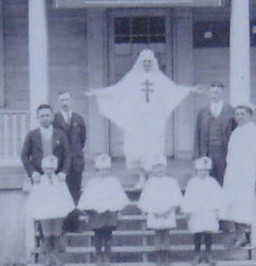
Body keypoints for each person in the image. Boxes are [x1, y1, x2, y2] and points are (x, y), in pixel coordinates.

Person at [86, 48, 200, 189]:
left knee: (153, 148)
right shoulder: (132, 78)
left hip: (153, 121)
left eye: (149, 61)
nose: (147, 64)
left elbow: (173, 90)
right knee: (136, 149)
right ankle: (141, 177)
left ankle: (153, 177)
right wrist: (98, 93)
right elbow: (116, 90)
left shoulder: (159, 79)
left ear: (153, 62)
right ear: (140, 62)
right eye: (144, 61)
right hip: (136, 121)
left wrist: (189, 90)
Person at [20, 104, 71, 264]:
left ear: (52, 116)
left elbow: (68, 155)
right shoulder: (32, 135)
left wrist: (63, 172)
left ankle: (57, 254)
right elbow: (24, 155)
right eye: (41, 116)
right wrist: (33, 173)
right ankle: (48, 255)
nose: (45, 118)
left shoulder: (60, 134)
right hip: (41, 181)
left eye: (47, 115)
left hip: (56, 181)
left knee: (57, 215)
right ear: (37, 118)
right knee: (44, 215)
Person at [222, 102, 256, 249]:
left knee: (242, 205)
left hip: (246, 173)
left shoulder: (254, 132)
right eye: (237, 114)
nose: (239, 117)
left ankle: (242, 237)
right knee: (232, 204)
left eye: (243, 114)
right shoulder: (236, 132)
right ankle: (237, 235)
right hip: (233, 173)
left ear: (250, 115)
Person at [76, 153, 130, 266]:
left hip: (109, 214)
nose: (103, 173)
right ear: (96, 170)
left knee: (108, 237)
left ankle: (107, 256)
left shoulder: (113, 182)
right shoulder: (92, 183)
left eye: (106, 170)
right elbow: (86, 199)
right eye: (100, 170)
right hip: (96, 214)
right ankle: (98, 256)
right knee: (98, 237)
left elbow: (119, 197)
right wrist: (87, 213)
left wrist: (118, 211)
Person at [26, 155, 75, 266]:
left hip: (58, 211)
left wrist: (66, 210)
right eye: (47, 168)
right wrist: (36, 210)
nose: (49, 171)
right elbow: (35, 197)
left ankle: (57, 256)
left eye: (51, 168)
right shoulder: (40, 181)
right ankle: (49, 257)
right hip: (45, 212)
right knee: (47, 234)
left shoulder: (59, 180)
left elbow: (65, 196)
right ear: (43, 168)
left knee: (57, 233)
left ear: (55, 168)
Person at [136, 154, 183, 266]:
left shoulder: (171, 182)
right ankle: (158, 256)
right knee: (157, 235)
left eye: (161, 167)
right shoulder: (150, 183)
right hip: (154, 213)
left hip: (168, 213)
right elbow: (145, 200)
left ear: (165, 168)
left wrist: (169, 210)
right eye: (157, 167)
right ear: (153, 169)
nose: (159, 170)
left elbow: (176, 198)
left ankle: (166, 256)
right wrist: (152, 211)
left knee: (166, 235)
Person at [52, 90, 87, 232]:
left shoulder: (78, 119)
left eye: (67, 100)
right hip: (62, 163)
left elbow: (82, 139)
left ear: (71, 101)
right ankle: (64, 225)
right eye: (62, 100)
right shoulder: (56, 120)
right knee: (63, 193)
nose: (65, 103)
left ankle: (75, 223)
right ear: (59, 102)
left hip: (76, 162)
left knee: (75, 192)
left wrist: (76, 154)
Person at [181, 156, 225, 266]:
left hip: (209, 212)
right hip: (196, 213)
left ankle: (209, 254)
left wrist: (218, 211)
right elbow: (188, 198)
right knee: (198, 233)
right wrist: (187, 211)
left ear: (209, 171)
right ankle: (197, 254)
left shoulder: (212, 183)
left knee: (208, 233)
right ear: (197, 171)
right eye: (201, 170)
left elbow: (219, 197)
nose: (203, 172)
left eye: (206, 170)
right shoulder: (192, 183)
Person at [194, 82, 235, 185]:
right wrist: (197, 155)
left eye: (217, 93)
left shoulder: (230, 110)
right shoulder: (202, 111)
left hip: (224, 152)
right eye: (212, 93)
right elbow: (197, 134)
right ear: (209, 94)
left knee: (224, 180)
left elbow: (235, 133)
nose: (214, 95)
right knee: (207, 180)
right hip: (207, 152)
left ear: (222, 93)